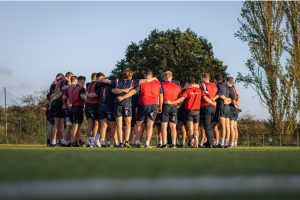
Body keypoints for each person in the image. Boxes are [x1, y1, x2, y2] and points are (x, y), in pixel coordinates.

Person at [117, 69, 163, 148]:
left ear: (145, 76)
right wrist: (160, 106)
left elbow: (133, 91)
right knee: (150, 125)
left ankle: (138, 142)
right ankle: (147, 144)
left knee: (138, 124)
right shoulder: (158, 84)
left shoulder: (143, 83)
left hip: (144, 105)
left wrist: (123, 97)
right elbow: (161, 95)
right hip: (154, 105)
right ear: (152, 75)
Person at [165, 77, 202, 148]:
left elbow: (181, 99)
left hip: (189, 111)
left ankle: (192, 142)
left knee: (190, 128)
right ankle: (196, 138)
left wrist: (172, 102)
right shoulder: (200, 90)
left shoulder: (187, 90)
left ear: (188, 83)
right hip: (197, 111)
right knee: (196, 128)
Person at [50, 72, 74, 146]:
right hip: (58, 103)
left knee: (59, 125)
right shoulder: (66, 81)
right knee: (57, 124)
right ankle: (54, 142)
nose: (72, 79)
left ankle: (60, 141)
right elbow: (61, 92)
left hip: (56, 103)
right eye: (72, 77)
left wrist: (53, 97)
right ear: (69, 76)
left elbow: (57, 91)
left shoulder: (60, 82)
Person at [161, 71, 181, 148]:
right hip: (174, 107)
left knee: (164, 126)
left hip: (165, 106)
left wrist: (159, 106)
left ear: (164, 77)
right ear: (171, 77)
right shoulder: (177, 86)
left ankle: (164, 143)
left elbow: (161, 96)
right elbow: (181, 97)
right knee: (173, 126)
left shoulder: (161, 85)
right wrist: (178, 105)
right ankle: (174, 144)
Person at [85, 73, 105, 147]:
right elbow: (95, 95)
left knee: (91, 124)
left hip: (87, 106)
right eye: (102, 78)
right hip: (94, 105)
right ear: (99, 78)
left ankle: (89, 142)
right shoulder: (98, 84)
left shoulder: (89, 84)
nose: (103, 80)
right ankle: (95, 140)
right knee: (100, 124)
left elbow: (87, 92)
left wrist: (87, 94)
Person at [67, 76, 87, 147]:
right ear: (82, 81)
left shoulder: (72, 88)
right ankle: (73, 142)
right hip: (78, 108)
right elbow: (83, 97)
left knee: (76, 126)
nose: (84, 83)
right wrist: (89, 101)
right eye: (84, 82)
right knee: (75, 126)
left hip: (72, 108)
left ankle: (75, 141)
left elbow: (68, 98)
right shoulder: (81, 89)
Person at [200, 73, 218, 148]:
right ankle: (210, 141)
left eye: (201, 78)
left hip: (206, 106)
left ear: (204, 78)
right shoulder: (214, 86)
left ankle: (210, 143)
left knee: (207, 126)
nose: (200, 80)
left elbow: (204, 96)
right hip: (214, 107)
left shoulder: (203, 85)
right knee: (210, 126)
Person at [214, 73, 231, 148]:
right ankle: (226, 143)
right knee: (227, 126)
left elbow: (220, 94)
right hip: (227, 107)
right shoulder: (226, 85)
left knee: (222, 126)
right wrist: (228, 100)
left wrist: (225, 99)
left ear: (215, 80)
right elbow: (231, 97)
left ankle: (221, 143)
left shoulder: (219, 85)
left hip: (222, 106)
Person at [62, 75, 77, 146]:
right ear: (75, 80)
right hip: (73, 108)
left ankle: (65, 141)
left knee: (68, 125)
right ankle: (71, 141)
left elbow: (64, 97)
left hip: (67, 109)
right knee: (74, 125)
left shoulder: (68, 89)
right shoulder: (75, 87)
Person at [227, 76, 240, 148]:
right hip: (235, 110)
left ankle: (231, 143)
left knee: (231, 127)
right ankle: (235, 143)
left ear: (228, 81)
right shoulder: (235, 89)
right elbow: (238, 100)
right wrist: (236, 105)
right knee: (235, 128)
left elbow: (233, 101)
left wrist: (234, 104)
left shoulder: (230, 89)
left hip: (231, 109)